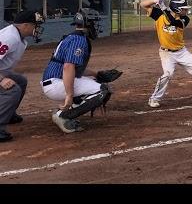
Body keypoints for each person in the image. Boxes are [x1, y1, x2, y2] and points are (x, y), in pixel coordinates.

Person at [41, 8, 122, 133]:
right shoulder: (79, 40)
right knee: (102, 91)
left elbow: (74, 68)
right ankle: (63, 115)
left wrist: (97, 74)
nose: (96, 26)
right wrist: (69, 95)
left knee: (95, 81)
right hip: (56, 82)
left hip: (54, 80)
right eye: (94, 23)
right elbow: (68, 67)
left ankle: (66, 111)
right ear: (87, 23)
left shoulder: (73, 37)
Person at [0, 10, 44, 142]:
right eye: (35, 25)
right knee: (13, 90)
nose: (37, 28)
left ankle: (8, 114)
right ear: (25, 25)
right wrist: (2, 80)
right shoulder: (9, 38)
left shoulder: (17, 35)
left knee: (20, 81)